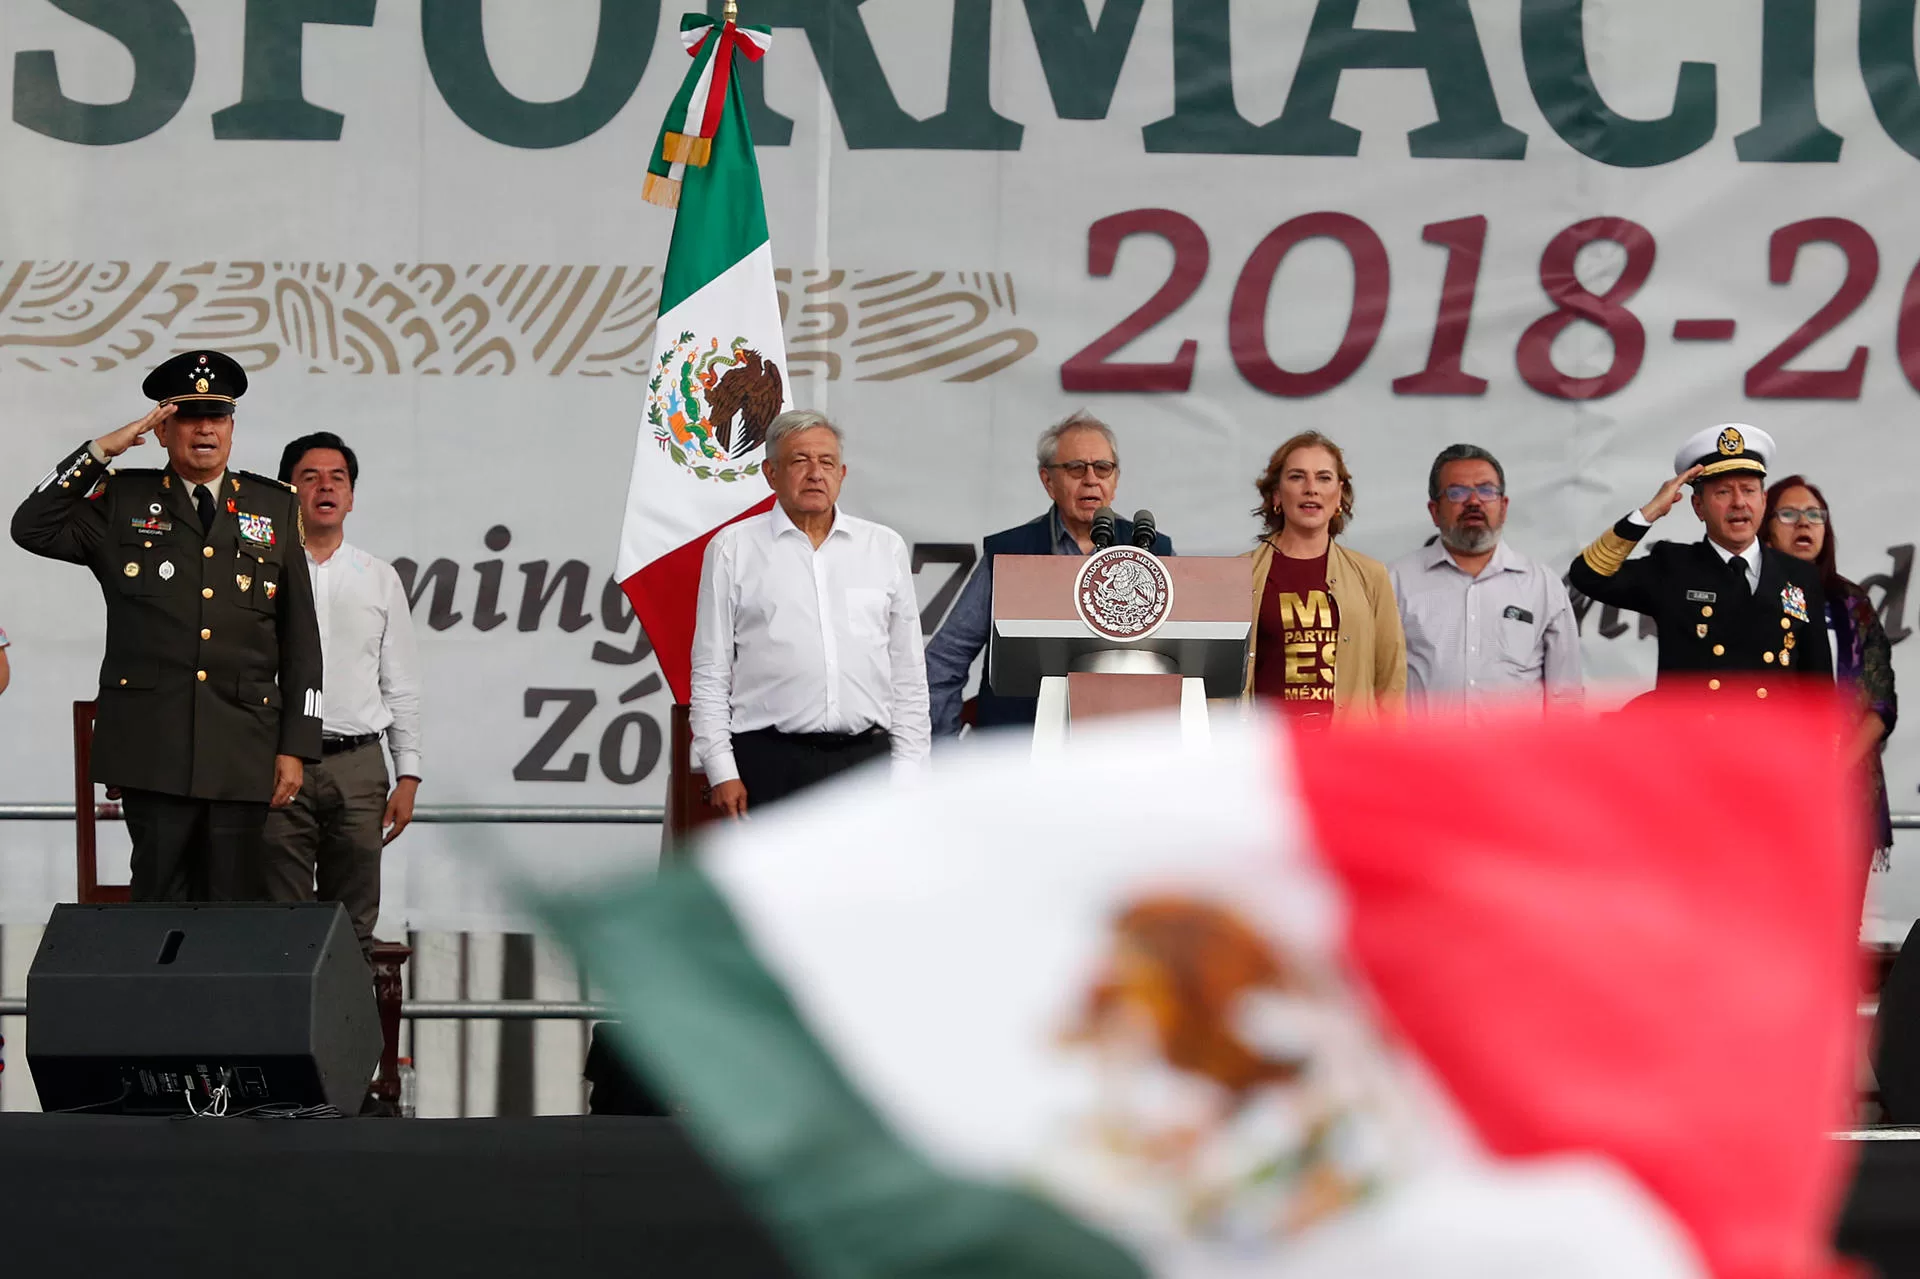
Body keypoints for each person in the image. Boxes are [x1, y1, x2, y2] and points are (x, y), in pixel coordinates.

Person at [11, 350, 323, 900]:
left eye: (218, 416)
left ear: (231, 427)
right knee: (157, 905)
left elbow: (301, 640)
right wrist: (101, 450)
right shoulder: (122, 500)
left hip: (242, 749)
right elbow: (30, 525)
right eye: (187, 416)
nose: (204, 428)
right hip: (153, 749)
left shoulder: (274, 508)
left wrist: (295, 745)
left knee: (231, 912)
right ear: (161, 430)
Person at [690, 410, 930, 816]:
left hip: (866, 761)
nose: (815, 474)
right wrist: (721, 770)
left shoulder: (882, 547)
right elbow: (710, 672)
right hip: (769, 761)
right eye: (800, 461)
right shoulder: (733, 549)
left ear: (843, 473)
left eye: (827, 463)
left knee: (866, 882)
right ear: (770, 473)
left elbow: (907, 672)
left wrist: (909, 770)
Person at [259, 432, 423, 954]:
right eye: (310, 477)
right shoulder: (260, 571)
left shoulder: (379, 577)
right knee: (280, 921)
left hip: (358, 767)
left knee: (352, 928)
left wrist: (409, 773)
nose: (325, 487)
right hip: (279, 762)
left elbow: (401, 682)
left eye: (338, 478)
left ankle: (343, 1036)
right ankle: (282, 1037)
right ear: (289, 491)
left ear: (351, 496)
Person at [924, 411, 1174, 736]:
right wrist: (942, 752)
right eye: (1075, 468)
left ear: (1115, 480)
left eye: (1102, 468)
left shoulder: (1152, 552)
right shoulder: (1010, 552)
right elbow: (946, 658)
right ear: (1048, 481)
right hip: (1018, 750)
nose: (1090, 479)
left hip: (1120, 748)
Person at [1567, 424, 1833, 697]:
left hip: (1773, 738)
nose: (1739, 503)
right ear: (1698, 507)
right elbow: (1587, 576)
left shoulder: (1799, 575)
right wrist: (1648, 513)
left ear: (1764, 501)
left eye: (1749, 490)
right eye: (1723, 492)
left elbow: (1820, 687)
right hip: (1693, 738)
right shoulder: (1673, 566)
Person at [1763, 475, 1896, 869]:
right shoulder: (1750, 594)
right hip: (1769, 785)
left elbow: (1881, 701)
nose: (1803, 523)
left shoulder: (1851, 602)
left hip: (1845, 789)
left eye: (1814, 515)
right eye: (1788, 514)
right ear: (1765, 526)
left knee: (1839, 929)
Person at [1389, 444, 1581, 713]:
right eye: (1457, 492)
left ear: (1503, 507)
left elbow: (1566, 698)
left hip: (1516, 755)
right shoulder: (1395, 582)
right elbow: (1374, 692)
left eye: (1486, 490)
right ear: (1434, 511)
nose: (1474, 502)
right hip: (1422, 755)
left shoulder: (1542, 585)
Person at [1244, 431, 1405, 723]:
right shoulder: (1240, 575)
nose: (1311, 489)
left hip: (1349, 755)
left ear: (1340, 493)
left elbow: (1390, 685)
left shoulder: (1371, 574)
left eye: (1323, 477)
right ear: (1277, 495)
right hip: (1269, 755)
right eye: (1297, 477)